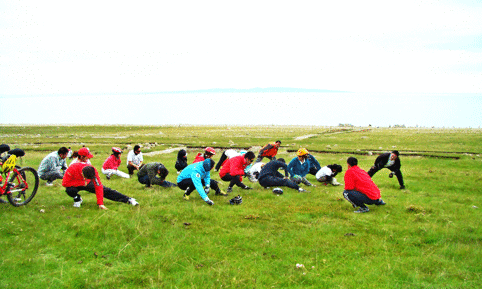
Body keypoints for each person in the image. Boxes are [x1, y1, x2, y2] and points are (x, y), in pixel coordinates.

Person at [62, 162, 139, 210]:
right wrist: (81, 183)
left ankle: (129, 200)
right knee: (69, 190)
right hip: (74, 184)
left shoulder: (93, 171)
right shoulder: (72, 168)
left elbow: (98, 187)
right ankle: (77, 199)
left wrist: (100, 203)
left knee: (105, 190)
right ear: (82, 173)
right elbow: (64, 183)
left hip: (87, 183)